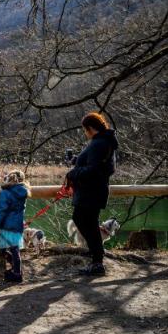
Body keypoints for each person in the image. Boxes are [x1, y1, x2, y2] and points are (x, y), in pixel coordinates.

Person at [66, 112, 118, 276]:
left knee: (82, 220)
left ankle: (97, 260)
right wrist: (76, 160)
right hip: (94, 191)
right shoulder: (103, 141)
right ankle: (97, 257)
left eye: (85, 130)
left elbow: (94, 170)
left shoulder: (99, 143)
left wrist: (72, 174)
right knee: (87, 222)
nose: (85, 133)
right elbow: (96, 165)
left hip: (91, 192)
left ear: (90, 128)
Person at [0, 170, 30, 283]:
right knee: (14, 249)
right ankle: (17, 271)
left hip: (6, 225)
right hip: (17, 224)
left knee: (2, 249)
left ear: (9, 179)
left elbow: (1, 211)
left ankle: (16, 273)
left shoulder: (5, 193)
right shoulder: (23, 192)